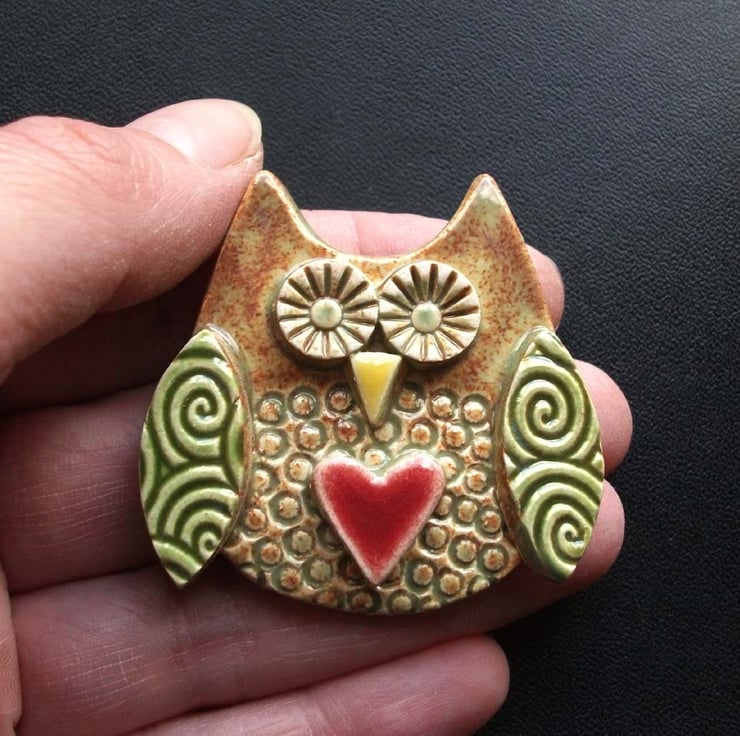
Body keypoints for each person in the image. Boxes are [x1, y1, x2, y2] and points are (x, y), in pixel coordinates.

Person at [0, 99, 631, 735]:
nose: (373, 364)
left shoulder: (525, 384)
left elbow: (555, 501)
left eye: (427, 320)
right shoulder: (221, 380)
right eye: (323, 318)